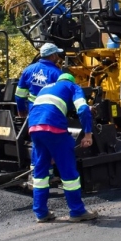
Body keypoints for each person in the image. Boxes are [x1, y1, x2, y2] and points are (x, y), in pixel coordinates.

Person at [27, 73, 98, 222]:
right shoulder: (73, 86)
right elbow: (83, 110)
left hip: (34, 128)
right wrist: (88, 134)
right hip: (54, 128)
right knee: (69, 172)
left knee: (40, 172)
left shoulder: (46, 88)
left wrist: (51, 152)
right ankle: (77, 211)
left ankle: (41, 213)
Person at [15, 43, 64, 117]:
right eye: (57, 54)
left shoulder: (28, 70)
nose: (58, 57)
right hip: (50, 115)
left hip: (33, 114)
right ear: (53, 56)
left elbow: (19, 95)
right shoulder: (58, 74)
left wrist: (21, 111)